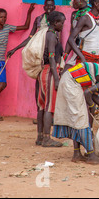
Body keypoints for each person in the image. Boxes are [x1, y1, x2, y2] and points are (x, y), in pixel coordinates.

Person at [6, 0, 57, 125]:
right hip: (38, 56)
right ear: (44, 7)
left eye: (51, 6)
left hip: (51, 56)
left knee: (51, 86)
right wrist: (16, 48)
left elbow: (58, 40)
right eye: (47, 6)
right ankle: (40, 114)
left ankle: (50, 116)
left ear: (54, 7)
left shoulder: (57, 20)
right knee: (39, 85)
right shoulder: (39, 19)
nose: (49, 8)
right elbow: (30, 37)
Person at [35, 11, 66, 147]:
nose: (63, 26)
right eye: (61, 23)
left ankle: (40, 136)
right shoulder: (52, 36)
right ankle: (47, 138)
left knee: (41, 106)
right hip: (50, 72)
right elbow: (52, 57)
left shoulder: (46, 34)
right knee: (49, 107)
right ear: (55, 23)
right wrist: (56, 78)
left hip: (43, 72)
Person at [62, 0, 90, 71]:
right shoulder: (74, 15)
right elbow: (72, 36)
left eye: (74, 0)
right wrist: (64, 56)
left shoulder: (90, 14)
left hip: (87, 51)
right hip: (76, 50)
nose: (72, 2)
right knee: (65, 73)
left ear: (80, 0)